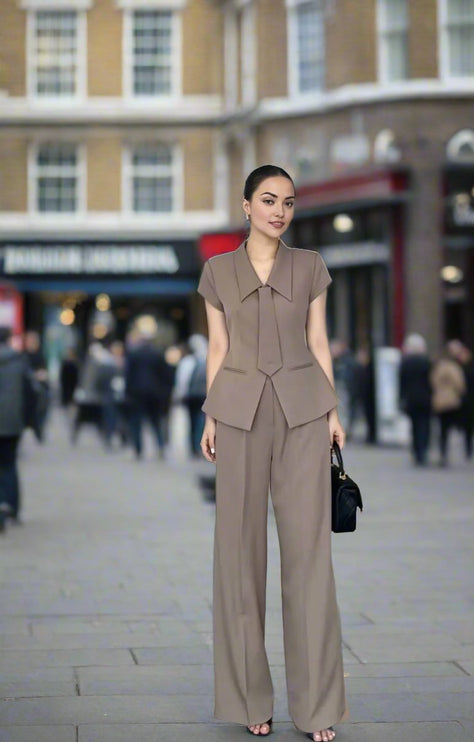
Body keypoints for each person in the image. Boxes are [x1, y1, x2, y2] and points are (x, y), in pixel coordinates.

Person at [198, 165, 346, 742]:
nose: (279, 211)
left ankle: (316, 709)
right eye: (268, 200)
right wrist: (209, 415)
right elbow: (218, 346)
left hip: (304, 413)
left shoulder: (309, 266)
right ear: (246, 205)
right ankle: (248, 698)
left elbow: (318, 341)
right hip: (236, 415)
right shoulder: (217, 271)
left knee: (309, 560)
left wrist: (333, 413)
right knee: (238, 558)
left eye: (287, 201)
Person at [0, 327, 32, 531]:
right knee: (9, 465)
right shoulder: (19, 362)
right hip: (13, 423)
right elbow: (32, 392)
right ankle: (12, 508)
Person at [124, 322, 168, 459]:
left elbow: (128, 374)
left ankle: (138, 449)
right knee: (155, 422)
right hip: (154, 393)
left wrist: (127, 392)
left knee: (136, 422)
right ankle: (160, 446)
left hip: (137, 392)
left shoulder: (134, 353)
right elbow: (165, 375)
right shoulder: (157, 354)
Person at [399, 333, 432, 466]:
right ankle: (423, 450)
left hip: (411, 398)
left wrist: (401, 398)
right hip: (425, 398)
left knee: (414, 425)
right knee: (424, 425)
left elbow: (402, 382)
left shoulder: (405, 363)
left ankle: (417, 450)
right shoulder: (426, 362)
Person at [431, 343, 466, 467]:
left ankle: (442, 452)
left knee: (442, 428)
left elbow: (433, 381)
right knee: (449, 427)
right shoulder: (454, 367)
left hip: (439, 400)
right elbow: (460, 384)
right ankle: (445, 453)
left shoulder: (438, 367)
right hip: (451, 400)